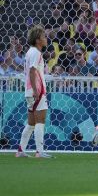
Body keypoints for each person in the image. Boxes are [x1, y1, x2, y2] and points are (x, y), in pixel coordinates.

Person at [16, 25, 53, 158]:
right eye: (43, 36)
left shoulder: (30, 52)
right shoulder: (36, 53)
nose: (46, 39)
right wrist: (36, 90)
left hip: (29, 91)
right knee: (40, 121)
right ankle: (40, 151)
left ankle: (21, 150)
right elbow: (32, 71)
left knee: (31, 123)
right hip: (36, 91)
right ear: (38, 40)